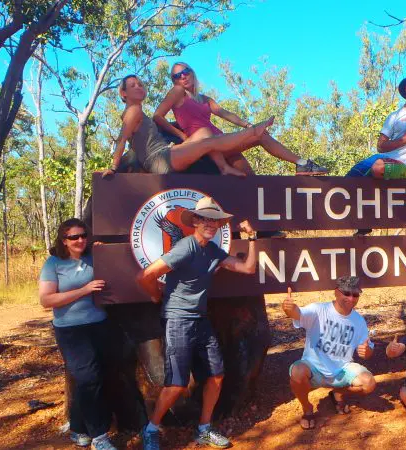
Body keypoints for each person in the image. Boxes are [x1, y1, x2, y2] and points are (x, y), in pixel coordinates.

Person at [136, 197, 258, 450]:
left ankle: (204, 428)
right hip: (178, 320)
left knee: (216, 376)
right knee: (177, 384)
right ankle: (150, 429)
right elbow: (146, 275)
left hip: (200, 320)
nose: (210, 224)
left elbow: (247, 268)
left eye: (214, 220)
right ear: (195, 222)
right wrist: (155, 296)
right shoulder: (186, 247)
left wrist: (252, 239)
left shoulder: (212, 250)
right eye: (205, 219)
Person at [153, 62, 328, 177]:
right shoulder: (177, 93)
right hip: (204, 145)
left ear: (192, 73)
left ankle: (264, 227)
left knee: (248, 177)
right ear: (174, 81)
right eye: (177, 76)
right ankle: (302, 163)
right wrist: (182, 137)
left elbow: (225, 113)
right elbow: (157, 116)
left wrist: (247, 125)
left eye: (185, 72)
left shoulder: (204, 98)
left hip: (223, 142)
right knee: (259, 135)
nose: (182, 76)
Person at [38, 219, 116, 450]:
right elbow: (46, 300)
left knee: (93, 379)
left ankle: (78, 427)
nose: (80, 240)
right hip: (70, 330)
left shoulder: (94, 257)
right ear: (64, 240)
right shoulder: (53, 263)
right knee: (88, 379)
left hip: (100, 325)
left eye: (83, 235)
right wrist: (84, 290)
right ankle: (99, 437)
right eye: (73, 237)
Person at [106, 74, 273, 177]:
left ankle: (223, 167)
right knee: (208, 142)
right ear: (123, 93)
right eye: (133, 86)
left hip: (166, 152)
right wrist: (114, 167)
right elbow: (122, 139)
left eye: (140, 84)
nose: (139, 87)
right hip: (160, 160)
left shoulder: (137, 112)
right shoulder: (133, 110)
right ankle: (252, 132)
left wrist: (182, 135)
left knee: (204, 132)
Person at [346, 74, 406, 236]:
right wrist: (404, 140)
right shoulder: (394, 117)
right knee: (349, 179)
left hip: (403, 166)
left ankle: (372, 217)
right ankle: (363, 226)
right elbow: (380, 146)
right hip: (380, 158)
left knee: (378, 169)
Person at [284, 277, 376, 430]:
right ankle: (307, 409)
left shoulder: (358, 321)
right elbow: (297, 313)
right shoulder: (319, 310)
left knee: (369, 384)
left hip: (342, 370)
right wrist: (288, 308)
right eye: (346, 293)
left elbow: (368, 351)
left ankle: (337, 392)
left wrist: (367, 351)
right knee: (297, 371)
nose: (351, 298)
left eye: (355, 295)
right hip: (314, 368)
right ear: (336, 292)